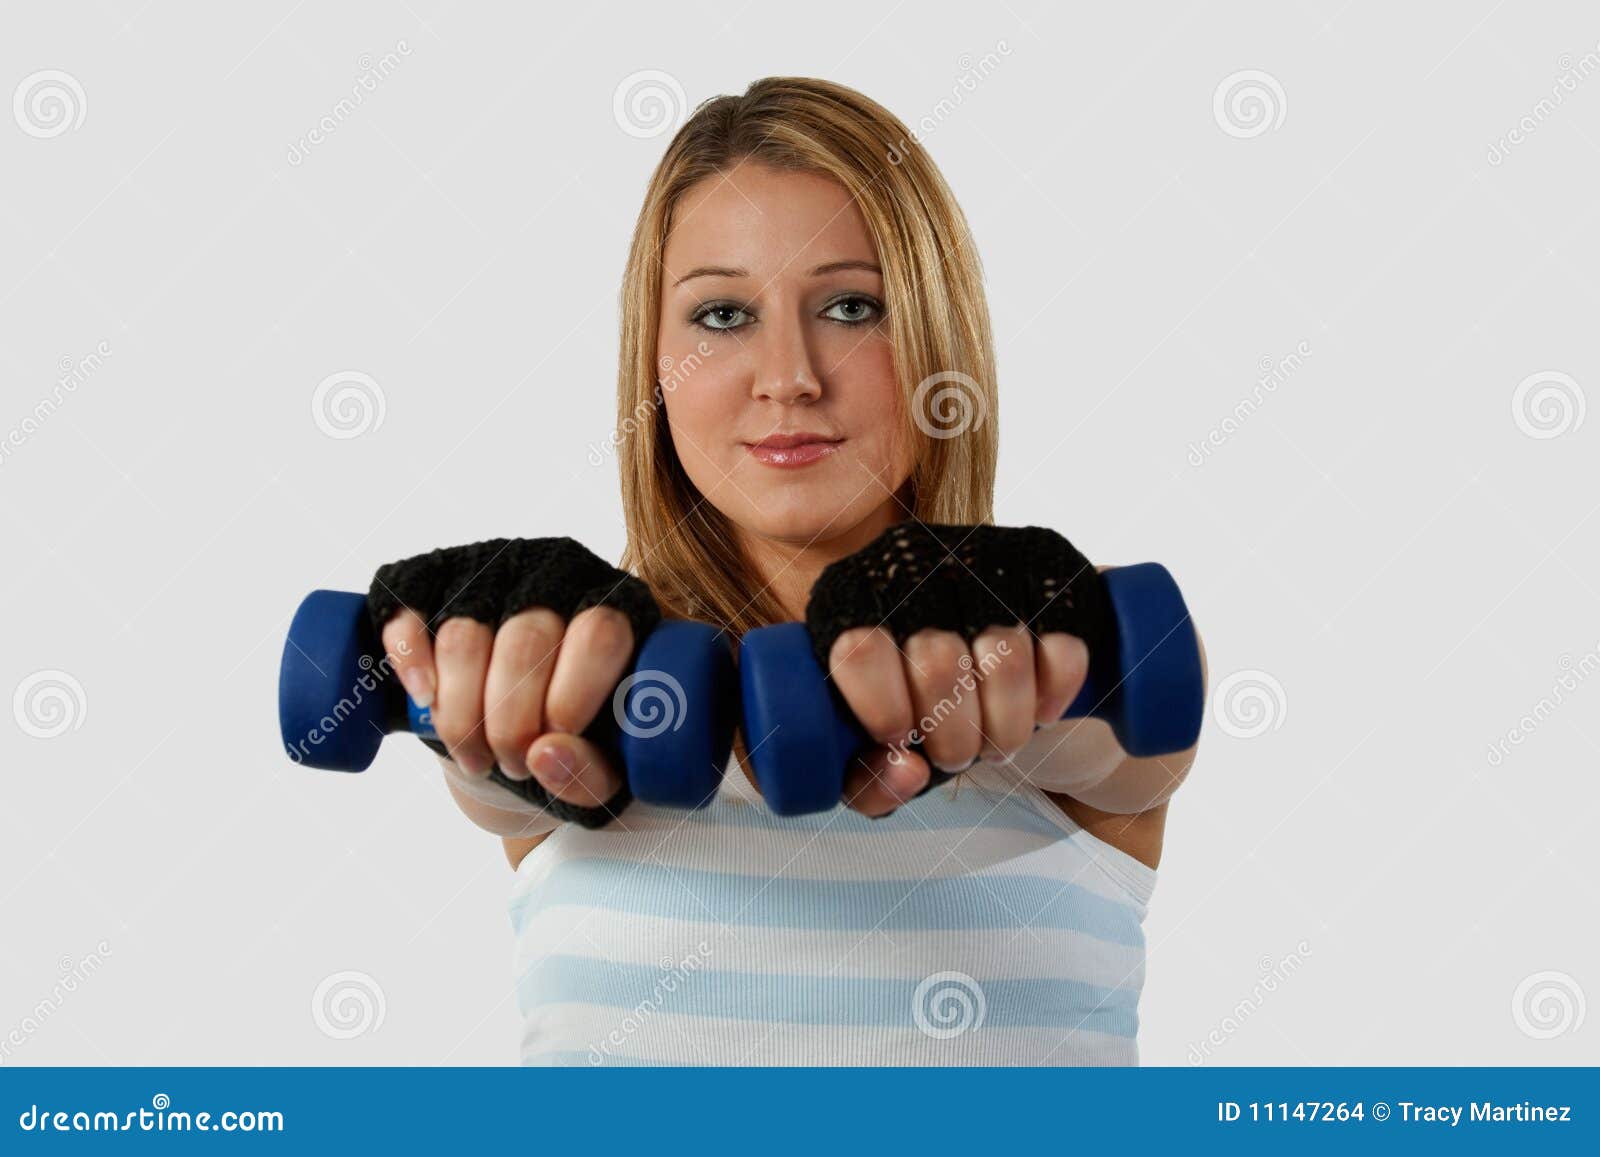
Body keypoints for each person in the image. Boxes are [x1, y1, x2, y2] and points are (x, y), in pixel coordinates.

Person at [374, 77, 1206, 1065]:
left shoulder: (1068, 637)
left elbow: (1126, 727)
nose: (788, 375)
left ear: (936, 337)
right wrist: (490, 681)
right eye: (722, 315)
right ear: (653, 363)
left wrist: (1010, 650)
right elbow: (504, 783)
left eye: (852, 305)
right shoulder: (589, 683)